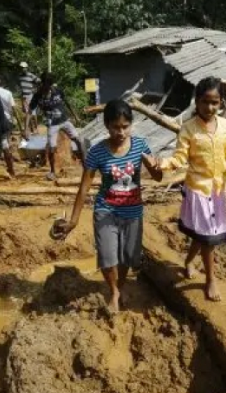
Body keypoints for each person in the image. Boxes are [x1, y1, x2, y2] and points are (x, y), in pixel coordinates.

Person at [155, 77, 226, 302]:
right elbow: (179, 157)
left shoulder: (225, 126)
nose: (210, 107)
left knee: (202, 237)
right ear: (197, 101)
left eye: (215, 102)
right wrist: (161, 164)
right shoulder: (189, 129)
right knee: (209, 238)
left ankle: (189, 261)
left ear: (221, 103)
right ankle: (210, 280)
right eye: (205, 102)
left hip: (218, 190)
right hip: (198, 191)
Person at [61, 100, 162, 313]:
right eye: (116, 127)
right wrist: (74, 220)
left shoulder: (140, 146)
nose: (121, 132)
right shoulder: (97, 152)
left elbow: (158, 177)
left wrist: (155, 168)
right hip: (105, 210)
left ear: (131, 125)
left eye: (125, 126)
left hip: (133, 212)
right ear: (107, 125)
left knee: (126, 256)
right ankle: (114, 292)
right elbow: (84, 188)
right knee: (107, 256)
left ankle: (119, 287)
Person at [29, 72, 86, 180]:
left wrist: (75, 116)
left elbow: (67, 103)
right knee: (52, 147)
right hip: (52, 125)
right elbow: (29, 110)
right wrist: (25, 128)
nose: (48, 87)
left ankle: (86, 166)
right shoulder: (38, 95)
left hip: (65, 121)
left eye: (49, 84)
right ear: (42, 83)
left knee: (79, 141)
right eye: (46, 84)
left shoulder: (58, 91)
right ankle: (52, 171)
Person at [0, 76, 17, 177]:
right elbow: (13, 109)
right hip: (6, 122)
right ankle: (11, 169)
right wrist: (18, 124)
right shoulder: (7, 93)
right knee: (5, 144)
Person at [19, 61, 39, 133]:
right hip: (24, 96)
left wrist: (35, 89)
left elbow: (39, 81)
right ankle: (31, 129)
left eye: (24, 68)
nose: (23, 69)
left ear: (26, 68)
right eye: (21, 68)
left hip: (30, 95)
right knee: (27, 113)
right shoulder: (20, 76)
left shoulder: (31, 75)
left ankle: (36, 128)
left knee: (32, 113)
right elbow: (21, 87)